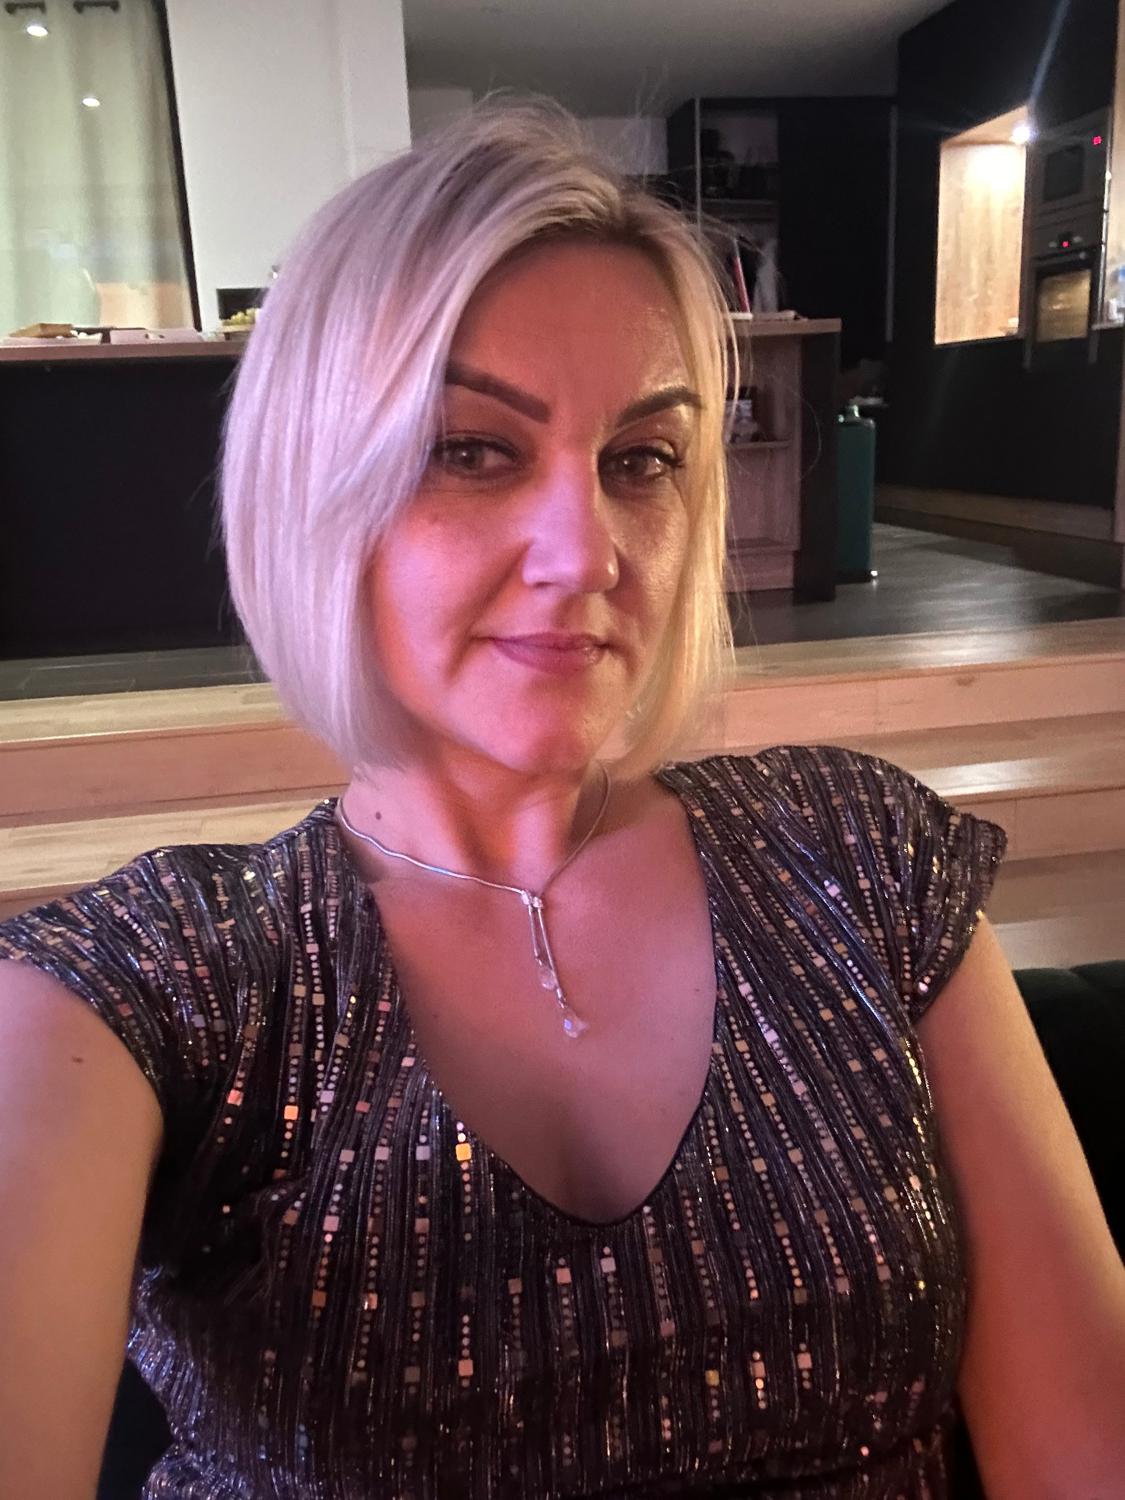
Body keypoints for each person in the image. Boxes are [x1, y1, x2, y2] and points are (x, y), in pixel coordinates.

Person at [1, 100, 1123, 1500]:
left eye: (639, 461)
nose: (584, 553)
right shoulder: (160, 981)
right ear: (313, 489)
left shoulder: (860, 856)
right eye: (473, 450)